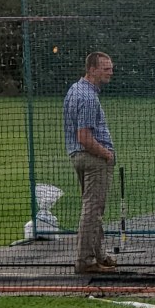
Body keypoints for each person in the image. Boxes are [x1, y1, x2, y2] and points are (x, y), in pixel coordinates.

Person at [63, 51, 117, 274]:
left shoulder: (75, 90)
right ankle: (85, 261)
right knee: (92, 210)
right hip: (93, 159)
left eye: (111, 68)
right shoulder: (87, 97)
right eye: (106, 68)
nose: (110, 72)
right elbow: (84, 137)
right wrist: (106, 154)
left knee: (93, 208)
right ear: (92, 69)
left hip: (78, 157)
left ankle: (99, 255)